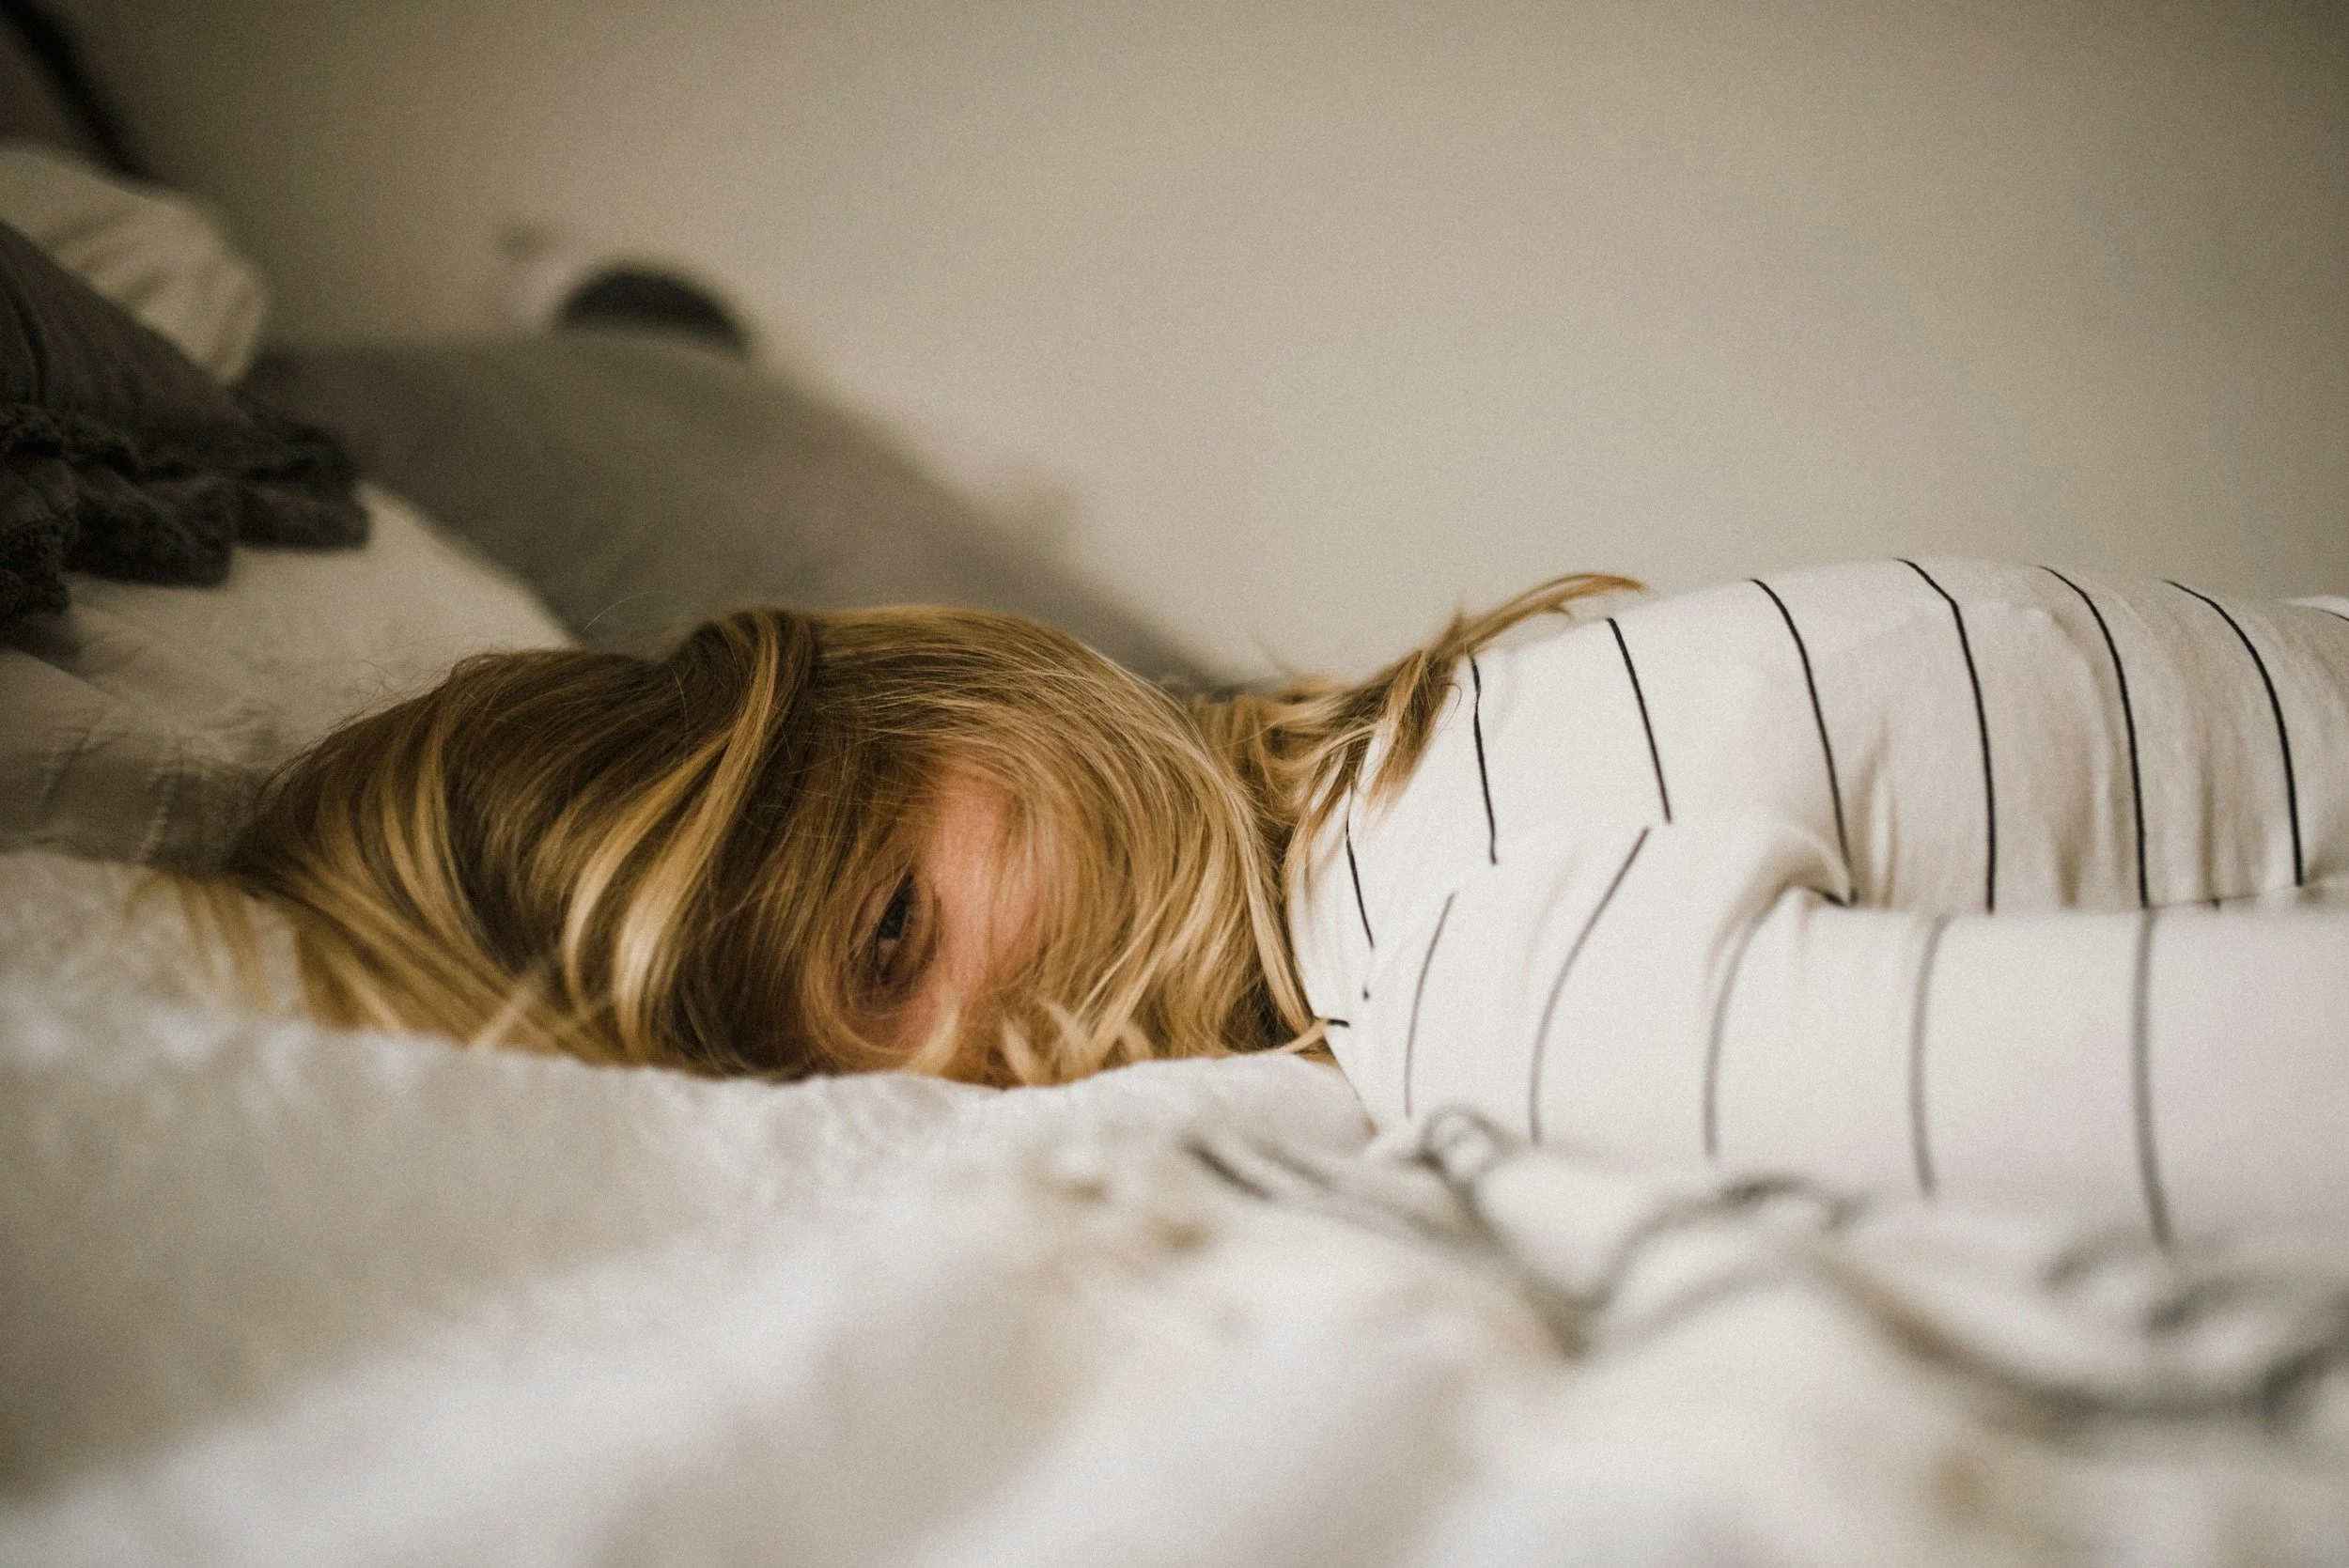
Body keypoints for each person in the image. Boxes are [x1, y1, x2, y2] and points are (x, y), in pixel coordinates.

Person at [206, 563, 2349, 1228]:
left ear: (964, 684)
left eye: (888, 941)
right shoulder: (1446, 747)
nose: (970, 1078)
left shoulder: (1488, 971)